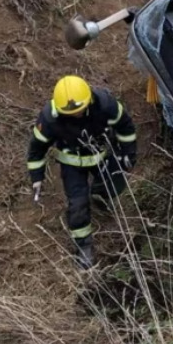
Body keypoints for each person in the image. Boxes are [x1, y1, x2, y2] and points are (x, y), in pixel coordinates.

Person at [27, 76, 138, 268]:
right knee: (78, 205)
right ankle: (84, 246)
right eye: (71, 113)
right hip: (72, 164)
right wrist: (37, 177)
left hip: (101, 154)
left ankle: (99, 196)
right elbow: (37, 148)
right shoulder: (50, 118)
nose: (76, 115)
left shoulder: (104, 104)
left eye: (79, 110)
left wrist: (128, 152)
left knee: (115, 183)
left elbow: (125, 126)